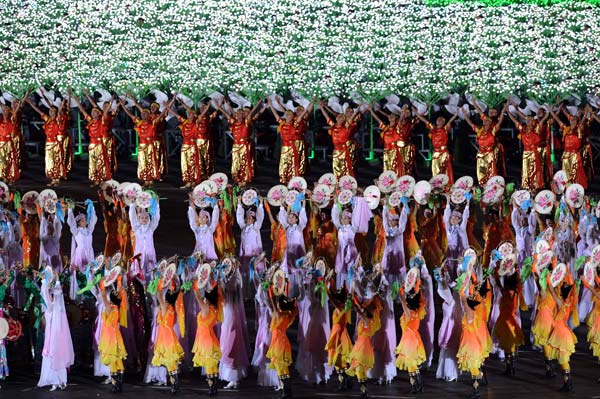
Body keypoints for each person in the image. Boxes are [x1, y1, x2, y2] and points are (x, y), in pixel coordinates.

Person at [120, 99, 171, 187]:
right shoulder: (139, 123)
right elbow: (130, 114)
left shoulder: (153, 123)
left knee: (151, 162)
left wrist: (168, 105)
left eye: (145, 114)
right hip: (142, 146)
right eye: (142, 114)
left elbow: (161, 115)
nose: (143, 115)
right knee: (143, 162)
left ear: (149, 115)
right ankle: (145, 179)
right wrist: (123, 106)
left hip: (151, 145)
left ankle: (151, 179)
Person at [38, 276, 74, 391]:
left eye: (53, 295)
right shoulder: (50, 308)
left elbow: (55, 293)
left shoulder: (56, 308)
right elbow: (45, 294)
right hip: (51, 337)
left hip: (57, 337)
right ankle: (56, 381)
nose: (51, 296)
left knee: (57, 356)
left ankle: (60, 381)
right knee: (52, 357)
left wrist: (52, 281)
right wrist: (46, 282)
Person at [25, 96, 70, 186]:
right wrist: (30, 103)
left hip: (56, 143)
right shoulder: (47, 119)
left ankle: (57, 179)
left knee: (57, 160)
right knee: (49, 161)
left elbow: (61, 110)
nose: (52, 112)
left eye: (53, 111)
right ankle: (52, 178)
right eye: (50, 111)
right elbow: (39, 111)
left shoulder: (57, 120)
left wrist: (64, 100)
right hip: (48, 144)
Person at [72, 95, 114, 185]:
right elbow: (83, 111)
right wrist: (77, 102)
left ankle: (102, 179)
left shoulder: (101, 120)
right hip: (92, 144)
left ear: (99, 113)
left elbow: (106, 112)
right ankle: (95, 179)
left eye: (95, 112)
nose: (93, 113)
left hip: (99, 144)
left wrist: (111, 102)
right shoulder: (90, 121)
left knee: (100, 162)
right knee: (92, 162)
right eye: (92, 112)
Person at [153, 277, 185, 394]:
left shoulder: (166, 309)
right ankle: (174, 384)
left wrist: (160, 285)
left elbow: (159, 296)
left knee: (170, 362)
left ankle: (175, 385)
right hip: (168, 336)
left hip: (166, 338)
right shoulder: (172, 310)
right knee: (170, 362)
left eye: (166, 300)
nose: (164, 302)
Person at [464, 103, 508, 185]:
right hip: (481, 154)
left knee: (492, 170)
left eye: (487, 120)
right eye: (484, 120)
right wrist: (466, 114)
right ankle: (482, 185)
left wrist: (503, 110)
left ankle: (494, 184)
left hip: (490, 152)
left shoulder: (493, 129)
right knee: (481, 171)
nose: (485, 121)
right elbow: (471, 124)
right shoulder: (480, 130)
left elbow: (500, 121)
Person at [395, 279, 426, 393]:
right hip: (414, 338)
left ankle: (417, 385)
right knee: (412, 364)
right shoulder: (417, 311)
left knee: (411, 364)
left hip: (408, 340)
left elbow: (402, 301)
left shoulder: (408, 312)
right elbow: (420, 299)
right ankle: (417, 386)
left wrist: (401, 290)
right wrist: (417, 287)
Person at [266, 289, 298, 399]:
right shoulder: (287, 315)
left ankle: (286, 392)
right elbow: (276, 308)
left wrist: (271, 295)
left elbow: (274, 307)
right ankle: (288, 392)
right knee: (284, 368)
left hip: (279, 344)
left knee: (281, 368)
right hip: (282, 342)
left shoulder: (279, 315)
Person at [192, 279, 222, 396]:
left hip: (205, 340)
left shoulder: (206, 309)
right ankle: (214, 387)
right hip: (210, 337)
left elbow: (198, 298)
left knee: (210, 363)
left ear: (208, 300)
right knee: (213, 364)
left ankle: (211, 387)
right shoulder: (215, 309)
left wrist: (195, 288)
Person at [98, 277, 128, 393]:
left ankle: (116, 384)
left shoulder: (110, 308)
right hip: (116, 335)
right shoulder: (118, 308)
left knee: (112, 360)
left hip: (109, 336)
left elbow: (104, 297)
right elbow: (117, 294)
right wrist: (119, 281)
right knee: (118, 360)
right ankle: (119, 384)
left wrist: (102, 286)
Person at [415, 112, 458, 183]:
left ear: (443, 122)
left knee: (445, 169)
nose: (439, 121)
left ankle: (446, 184)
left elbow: (450, 121)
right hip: (436, 153)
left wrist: (455, 115)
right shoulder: (433, 129)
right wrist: (417, 114)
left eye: (441, 120)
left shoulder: (445, 129)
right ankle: (436, 185)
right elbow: (424, 121)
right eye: (438, 119)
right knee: (435, 170)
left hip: (443, 152)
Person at [550, 106, 587, 188]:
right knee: (565, 173)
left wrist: (584, 114)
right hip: (566, 154)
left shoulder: (579, 129)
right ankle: (566, 188)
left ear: (577, 122)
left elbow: (582, 122)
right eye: (571, 119)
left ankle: (574, 188)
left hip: (574, 155)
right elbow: (557, 120)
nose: (572, 120)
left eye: (574, 119)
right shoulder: (566, 129)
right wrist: (551, 111)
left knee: (574, 172)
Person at [320, 103, 359, 178]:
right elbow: (327, 116)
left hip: (346, 149)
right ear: (336, 118)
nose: (341, 118)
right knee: (336, 167)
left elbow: (352, 118)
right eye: (339, 117)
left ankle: (347, 181)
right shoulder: (333, 126)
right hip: (336, 151)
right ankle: (338, 182)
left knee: (347, 166)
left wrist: (358, 108)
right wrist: (322, 107)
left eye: (342, 118)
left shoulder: (346, 127)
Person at [236, 198, 265, 298]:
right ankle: (246, 295)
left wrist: (261, 204)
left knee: (256, 274)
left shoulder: (256, 227)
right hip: (245, 256)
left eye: (250, 218)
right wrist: (239, 203)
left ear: (253, 219)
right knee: (246, 275)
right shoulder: (243, 228)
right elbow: (239, 218)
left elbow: (260, 217)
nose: (247, 219)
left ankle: (259, 294)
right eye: (247, 218)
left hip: (254, 256)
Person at [129, 200, 160, 280]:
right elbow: (132, 217)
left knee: (150, 275)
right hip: (139, 255)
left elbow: (156, 218)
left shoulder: (151, 229)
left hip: (149, 255)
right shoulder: (137, 229)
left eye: (146, 218)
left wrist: (157, 205)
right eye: (142, 218)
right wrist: (132, 204)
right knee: (138, 275)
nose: (144, 219)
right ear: (139, 219)